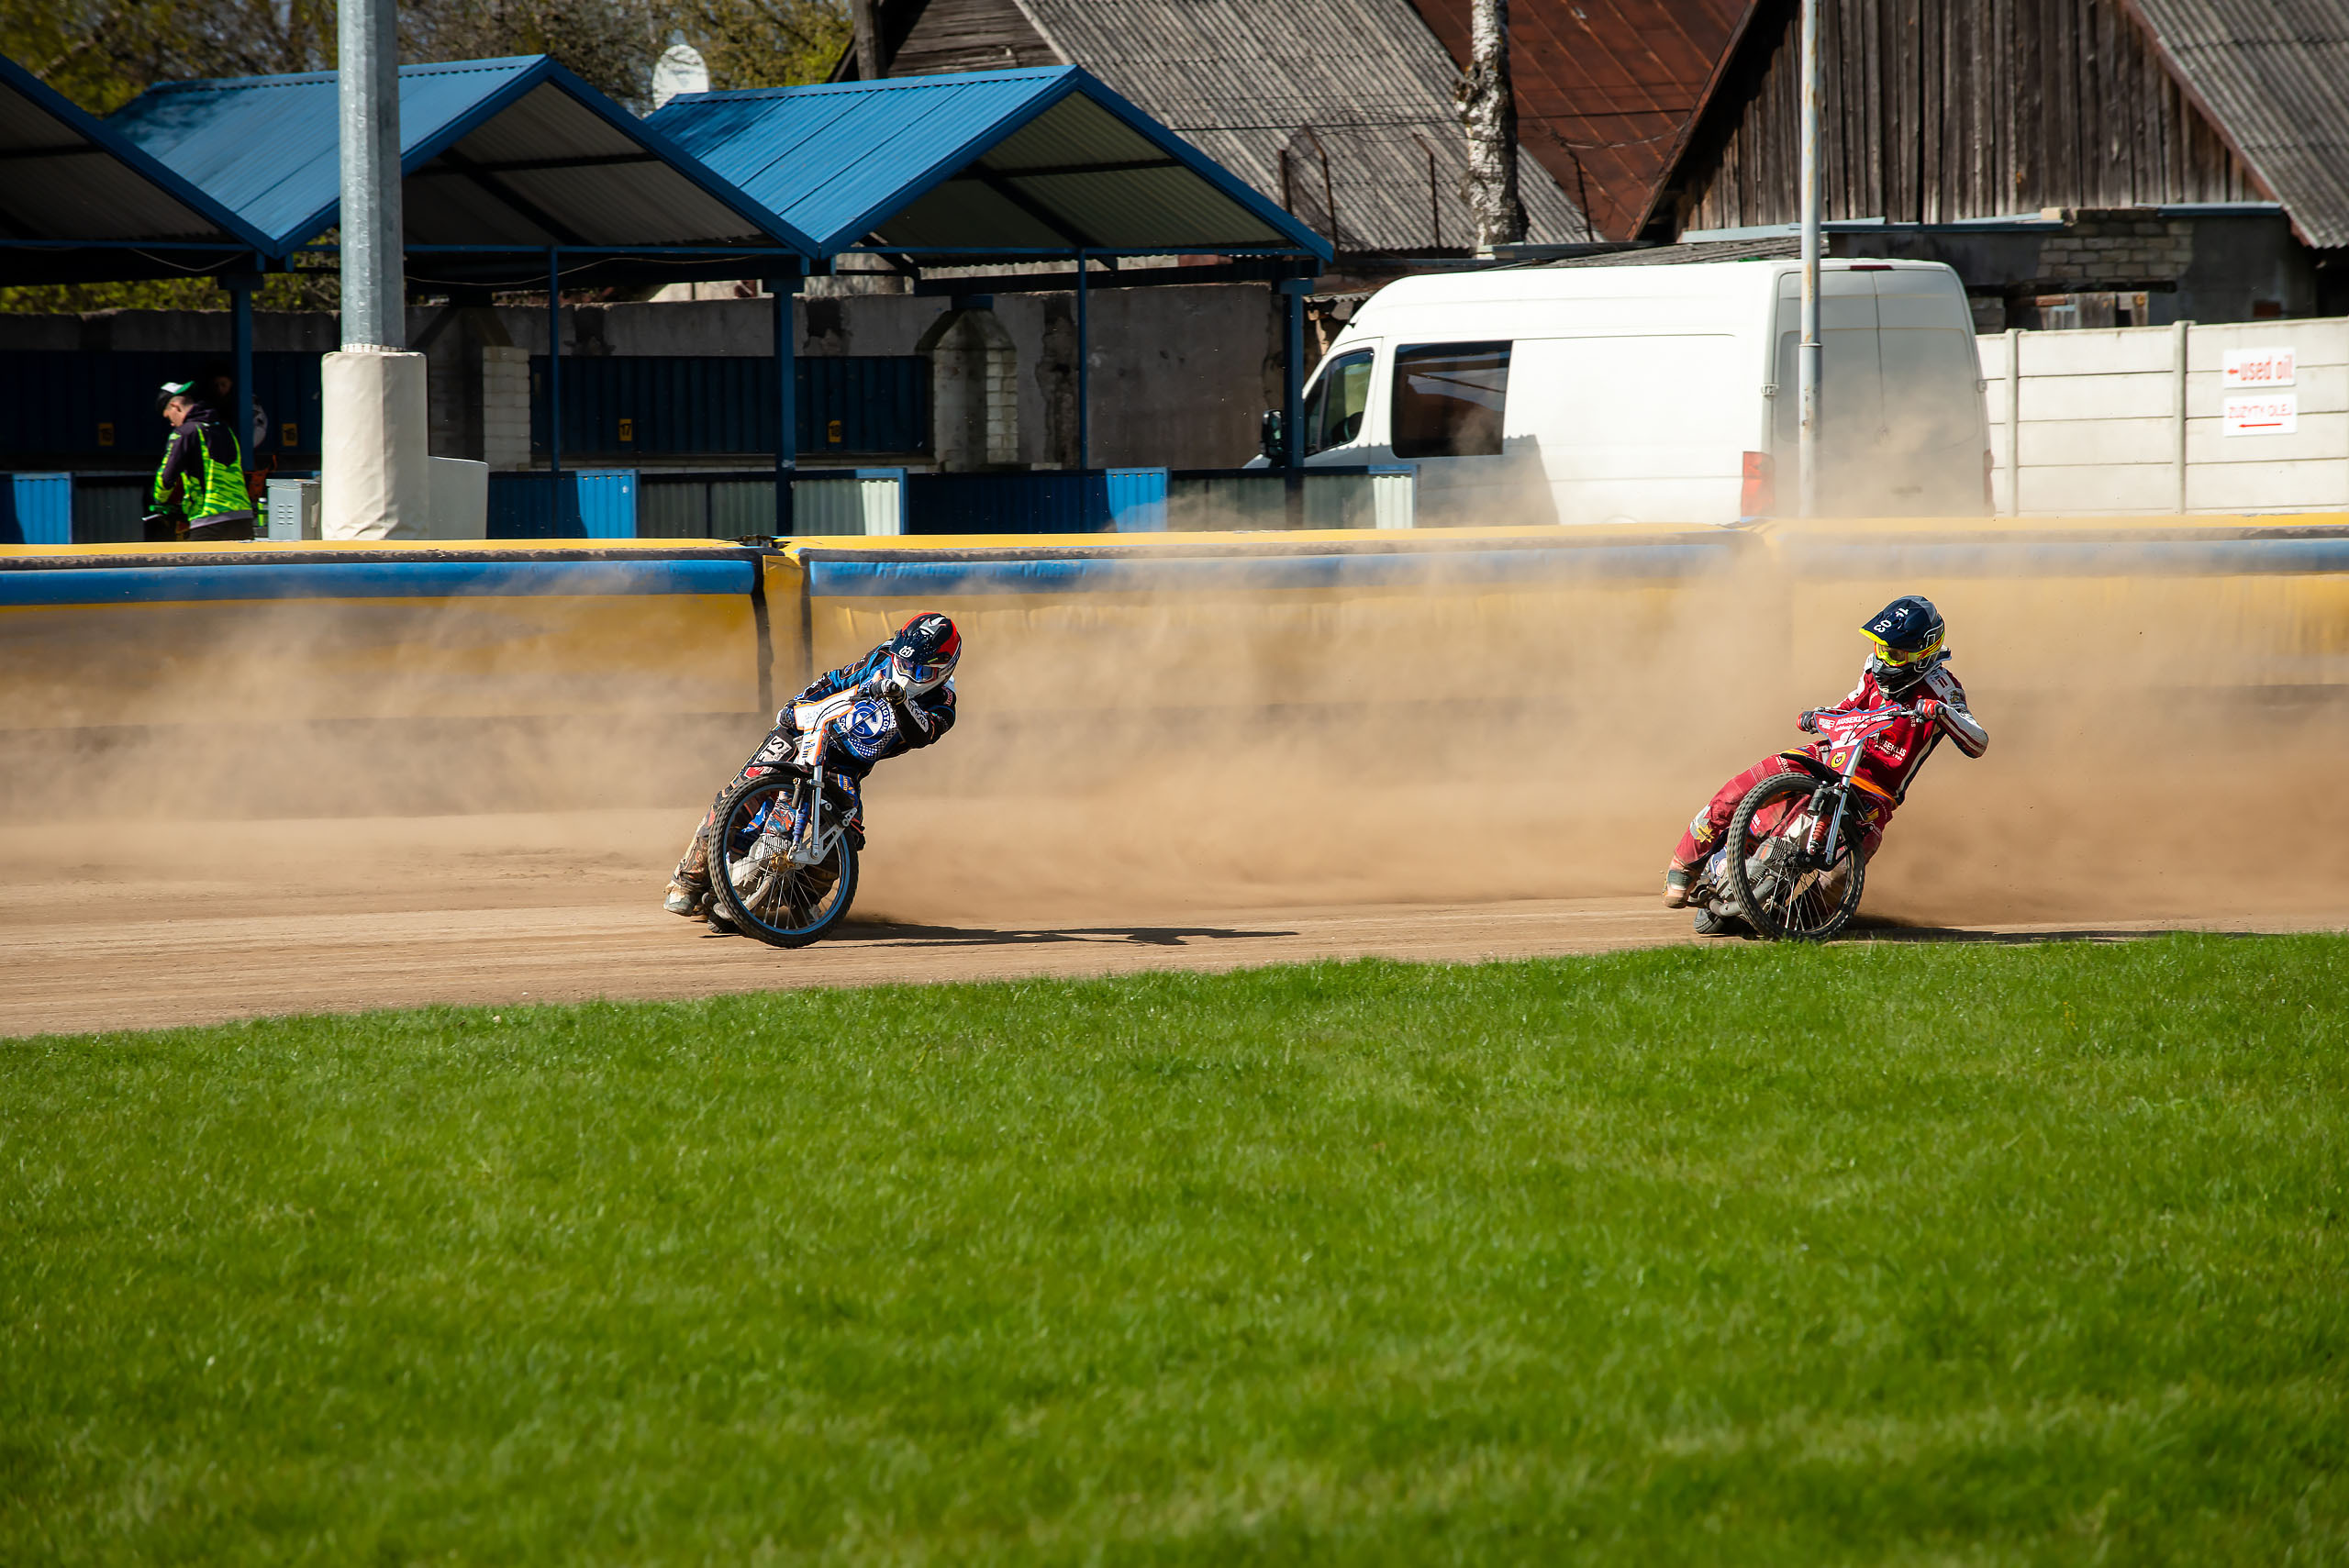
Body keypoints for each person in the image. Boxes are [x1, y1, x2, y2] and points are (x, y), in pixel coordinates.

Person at [1663, 595, 1988, 934]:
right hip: (1829, 757)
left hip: (1876, 792)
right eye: (1880, 649)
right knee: (1740, 789)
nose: (1882, 660)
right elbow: (1848, 706)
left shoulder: (1943, 689)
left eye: (1893, 653)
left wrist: (1944, 713)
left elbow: (1978, 742)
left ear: (1924, 652)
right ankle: (1684, 864)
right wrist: (1818, 715)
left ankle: (1794, 918)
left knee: (1841, 876)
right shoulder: (1872, 669)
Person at [666, 612, 962, 918]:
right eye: (905, 663)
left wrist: (901, 701)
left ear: (944, 669)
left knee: (847, 834)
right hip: (804, 732)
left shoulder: (944, 701)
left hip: (844, 764)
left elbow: (922, 733)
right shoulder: (883, 656)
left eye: (921, 670)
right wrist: (798, 704)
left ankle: (792, 900)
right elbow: (837, 679)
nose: (908, 672)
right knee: (740, 791)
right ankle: (689, 880)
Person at [143, 379, 257, 543]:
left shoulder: (185, 433)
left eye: (169, 416)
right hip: (243, 518)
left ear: (176, 406)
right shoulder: (226, 430)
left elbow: (166, 478)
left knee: (195, 568)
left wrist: (160, 501)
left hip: (210, 520)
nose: (171, 423)